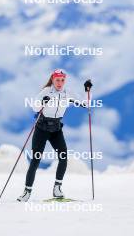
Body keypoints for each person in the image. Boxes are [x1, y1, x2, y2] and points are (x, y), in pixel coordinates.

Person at [17, 69, 92, 202]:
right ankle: (26, 192)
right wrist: (42, 102)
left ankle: (57, 189)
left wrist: (87, 91)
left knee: (63, 157)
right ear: (52, 79)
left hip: (56, 129)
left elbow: (85, 104)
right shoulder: (46, 92)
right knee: (36, 160)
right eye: (57, 80)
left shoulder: (67, 93)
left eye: (62, 80)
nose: (60, 83)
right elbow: (34, 107)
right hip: (42, 129)